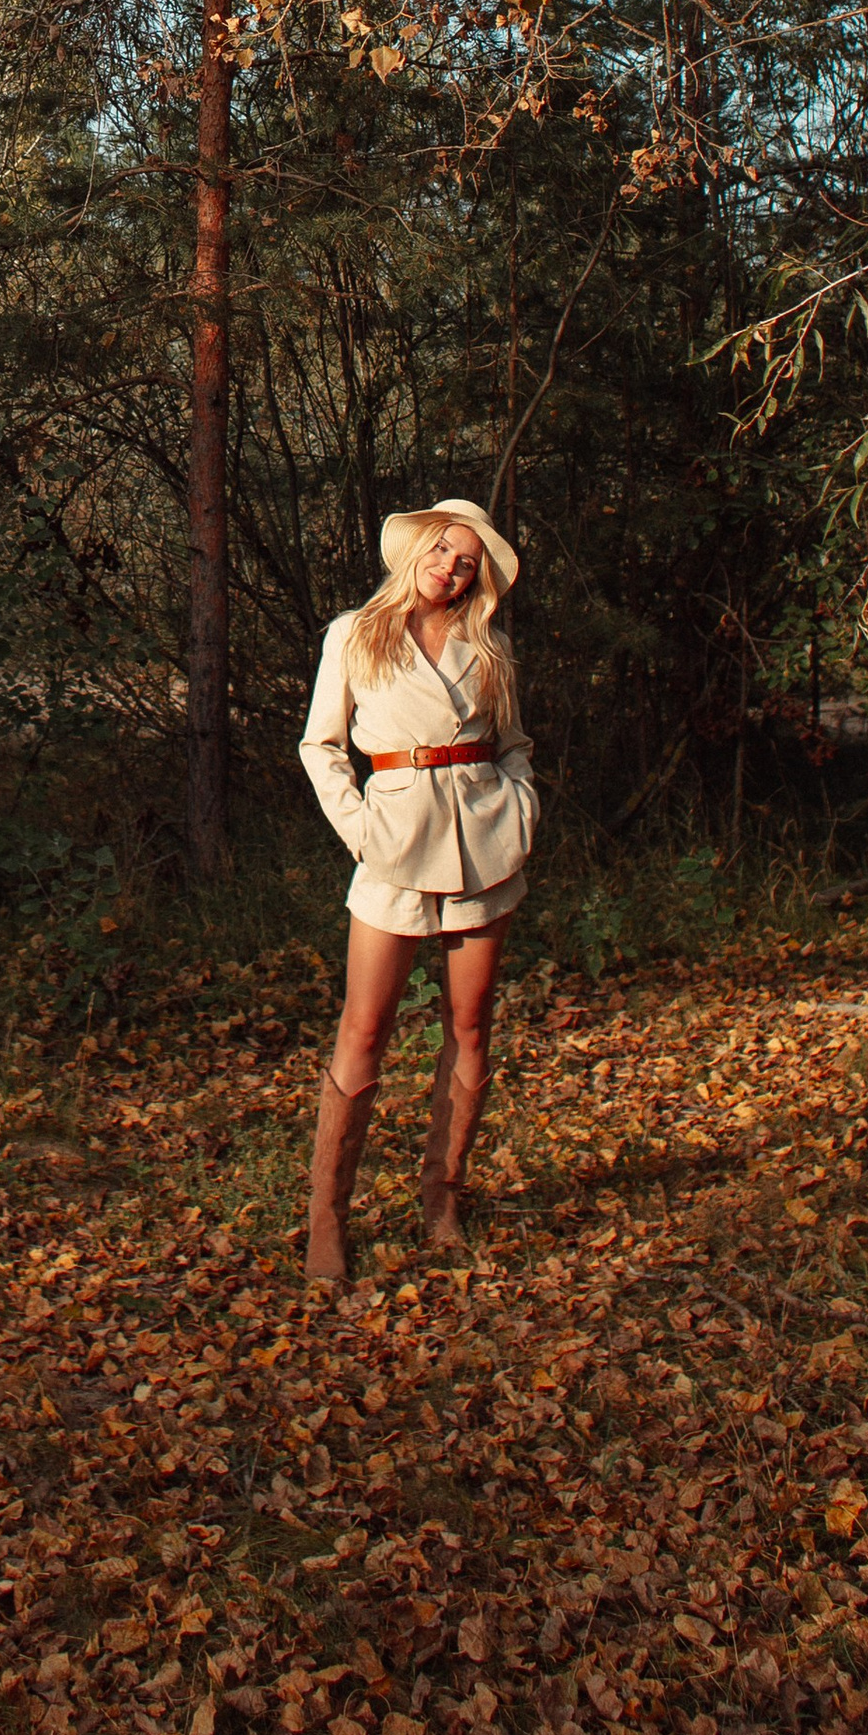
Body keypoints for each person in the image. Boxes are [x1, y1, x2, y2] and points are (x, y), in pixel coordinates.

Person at [296, 498, 537, 1284]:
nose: (450, 566)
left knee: (470, 1024)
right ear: (414, 553)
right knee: (364, 1028)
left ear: (478, 578)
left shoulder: (488, 646)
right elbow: (321, 745)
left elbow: (515, 746)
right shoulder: (354, 634)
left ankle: (442, 1204)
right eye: (441, 550)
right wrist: (363, 829)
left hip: (483, 841)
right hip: (395, 843)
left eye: (466, 560)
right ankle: (327, 1220)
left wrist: (520, 807)